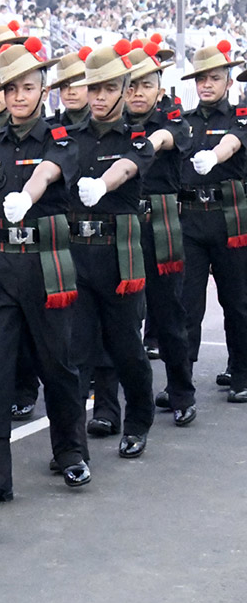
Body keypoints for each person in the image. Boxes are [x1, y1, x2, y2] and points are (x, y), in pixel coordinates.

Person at [0, 38, 90, 502]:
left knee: (57, 365)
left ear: (44, 91)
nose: (19, 97)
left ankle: (70, 453)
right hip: (0, 266)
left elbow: (47, 171)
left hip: (46, 266)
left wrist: (28, 194)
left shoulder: (60, 139)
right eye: (12, 89)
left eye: (29, 88)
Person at [90, 44, 191, 426]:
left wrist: (147, 142)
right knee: (113, 321)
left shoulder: (172, 119)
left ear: (159, 89)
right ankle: (106, 408)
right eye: (130, 86)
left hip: (158, 227)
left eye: (145, 86)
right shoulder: (109, 128)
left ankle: (181, 391)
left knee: (168, 314)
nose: (136, 94)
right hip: (117, 231)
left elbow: (167, 137)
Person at [69, 41, 157, 459]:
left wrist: (103, 183)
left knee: (125, 346)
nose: (99, 98)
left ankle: (138, 420)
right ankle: (75, 440)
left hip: (119, 255)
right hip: (77, 253)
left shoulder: (138, 137)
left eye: (107, 89)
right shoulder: (68, 137)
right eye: (93, 90)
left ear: (123, 90)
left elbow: (127, 168)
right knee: (78, 349)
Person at [178, 42, 247, 404]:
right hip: (190, 217)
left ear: (228, 82)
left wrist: (214, 156)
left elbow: (233, 144)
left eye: (214, 78)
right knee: (187, 302)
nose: (207, 85)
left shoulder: (240, 117)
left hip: (229, 218)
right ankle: (181, 380)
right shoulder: (184, 122)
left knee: (236, 300)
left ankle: (241, 370)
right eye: (201, 79)